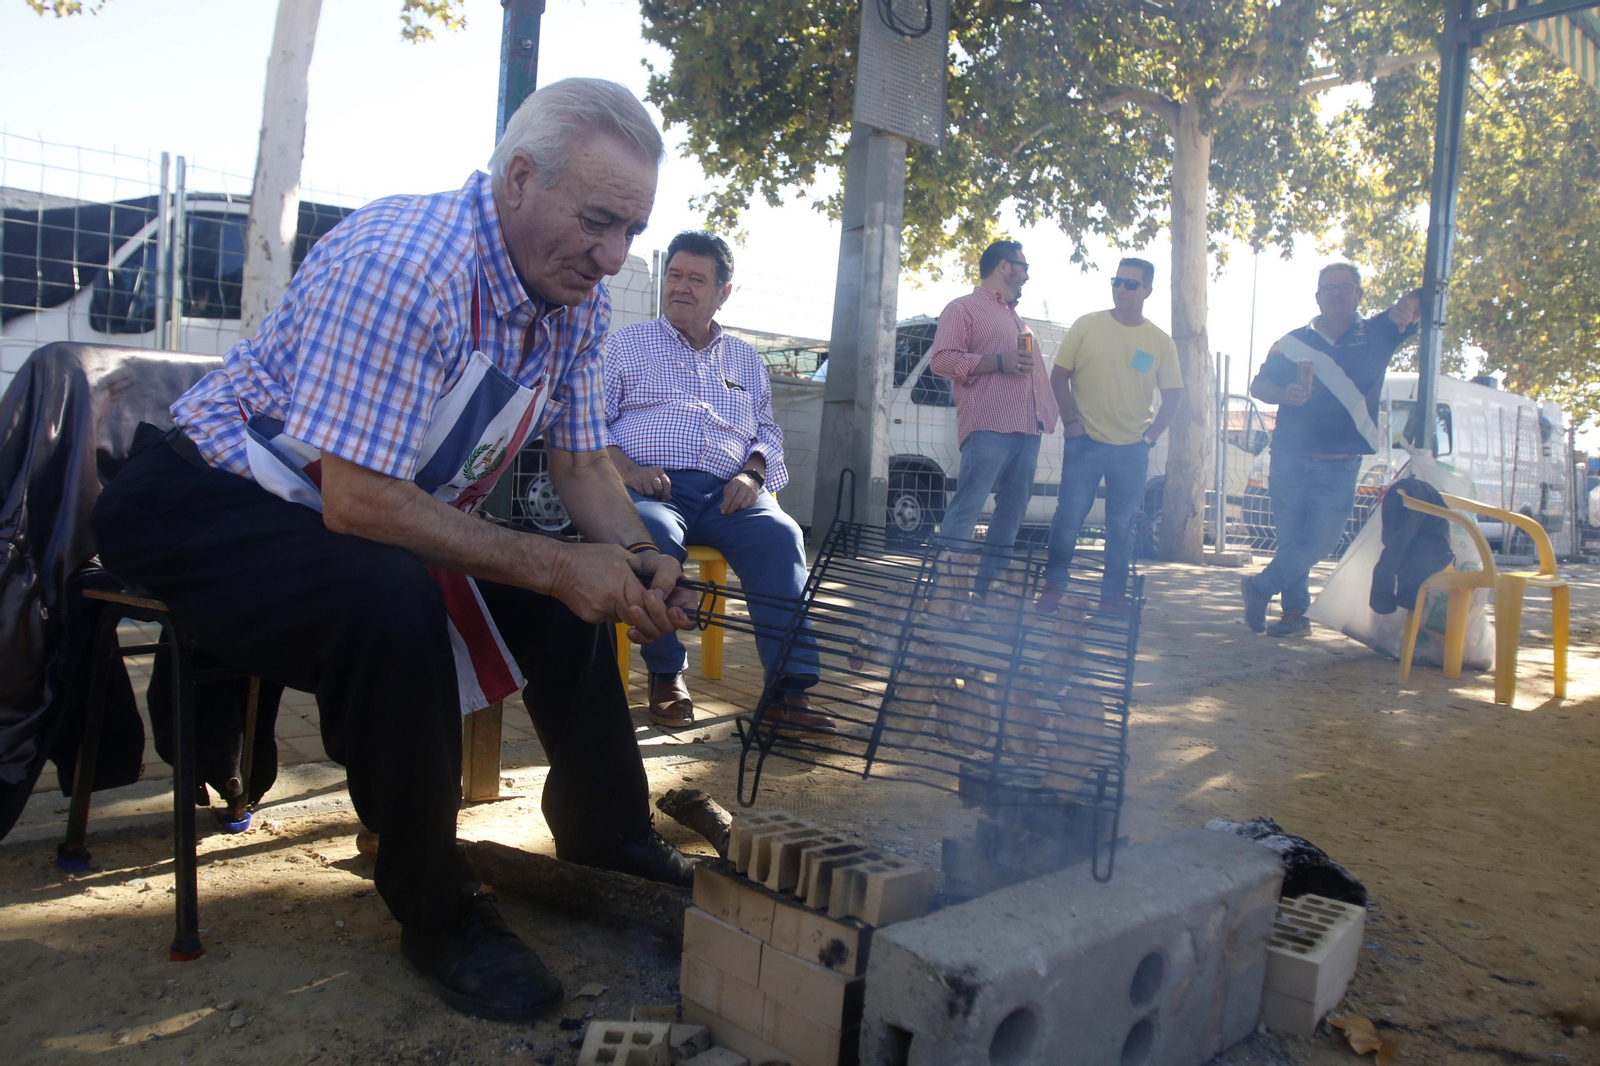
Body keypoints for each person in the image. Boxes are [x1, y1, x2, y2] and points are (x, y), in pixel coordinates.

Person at [89, 79, 701, 1021]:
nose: (612, 256)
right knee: (392, 595)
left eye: (631, 231)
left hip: (346, 509)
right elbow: (362, 501)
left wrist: (629, 550)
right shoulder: (408, 263)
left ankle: (605, 831)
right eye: (596, 222)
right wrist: (553, 562)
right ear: (519, 179)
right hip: (206, 499)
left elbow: (580, 461)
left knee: (580, 585)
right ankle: (438, 910)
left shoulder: (577, 299)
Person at [603, 231, 827, 732]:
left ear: (723, 292)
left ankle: (786, 695)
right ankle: (666, 675)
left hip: (731, 493)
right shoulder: (625, 345)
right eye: (675, 275)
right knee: (650, 535)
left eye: (696, 279)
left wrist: (753, 472)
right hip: (652, 488)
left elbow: (767, 429)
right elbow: (590, 424)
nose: (681, 287)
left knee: (782, 535)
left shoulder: (746, 359)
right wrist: (629, 470)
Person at [1243, 264, 1421, 636]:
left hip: (1340, 464)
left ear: (1359, 294)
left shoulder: (1378, 332)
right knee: (1292, 539)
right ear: (1317, 296)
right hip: (1289, 456)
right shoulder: (1290, 341)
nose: (1336, 294)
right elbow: (1259, 385)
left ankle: (1260, 587)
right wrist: (1282, 394)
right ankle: (1293, 615)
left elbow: (1426, 305)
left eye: (1345, 287)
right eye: (1329, 288)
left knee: (1323, 540)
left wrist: (1412, 303)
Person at [1041, 258, 1183, 611]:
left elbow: (1175, 396)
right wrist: (1070, 424)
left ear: (1147, 290)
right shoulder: (1087, 325)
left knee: (1123, 525)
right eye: (1116, 281)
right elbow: (1058, 377)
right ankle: (1053, 586)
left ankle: (1113, 596)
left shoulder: (1160, 341)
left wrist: (1149, 439)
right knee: (1069, 516)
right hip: (1085, 442)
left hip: (1133, 449)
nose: (1120, 289)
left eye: (1130, 284)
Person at [928, 240, 1059, 582]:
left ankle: (990, 594)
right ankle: (945, 592)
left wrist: (1046, 414)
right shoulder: (962, 309)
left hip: (1028, 430)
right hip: (988, 425)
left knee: (1013, 512)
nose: (1027, 274)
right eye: (1023, 266)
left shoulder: (1018, 319)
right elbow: (941, 360)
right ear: (1004, 266)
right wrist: (998, 362)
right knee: (969, 505)